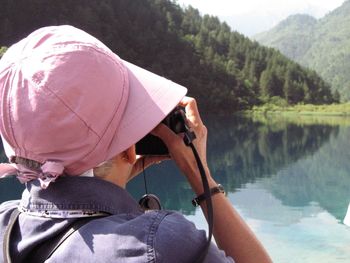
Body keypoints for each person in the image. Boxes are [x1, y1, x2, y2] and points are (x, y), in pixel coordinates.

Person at [0, 25, 272, 263]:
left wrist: (108, 179)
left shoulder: (6, 221)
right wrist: (201, 178)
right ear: (129, 150)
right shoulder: (159, 245)